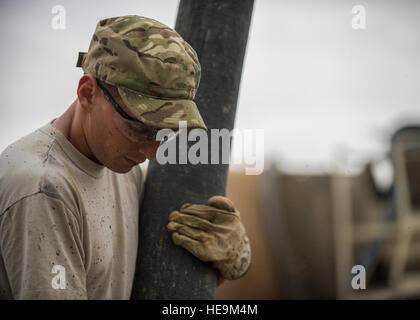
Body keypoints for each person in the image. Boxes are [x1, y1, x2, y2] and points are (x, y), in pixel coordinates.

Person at [0, 15, 250, 299]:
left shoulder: (123, 170)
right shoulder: (43, 189)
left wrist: (235, 256)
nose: (152, 152)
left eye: (165, 134)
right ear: (87, 92)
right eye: (137, 129)